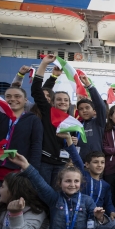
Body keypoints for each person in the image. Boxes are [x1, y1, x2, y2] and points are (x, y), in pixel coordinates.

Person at [62, 134, 115, 229]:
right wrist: (69, 140)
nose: (99, 165)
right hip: (81, 220)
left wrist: (112, 211)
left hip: (97, 220)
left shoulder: (105, 185)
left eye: (102, 162)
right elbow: (75, 157)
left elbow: (108, 202)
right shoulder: (83, 177)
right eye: (95, 162)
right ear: (87, 165)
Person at [32, 55, 70, 187]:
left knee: (58, 196)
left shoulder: (73, 121)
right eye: (58, 99)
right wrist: (44, 64)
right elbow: (37, 91)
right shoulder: (48, 112)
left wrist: (71, 142)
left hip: (63, 164)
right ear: (52, 102)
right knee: (42, 194)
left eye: (66, 100)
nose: (62, 102)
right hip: (45, 163)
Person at [72, 73, 106, 161]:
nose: (84, 111)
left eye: (87, 108)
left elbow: (101, 106)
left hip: (96, 164)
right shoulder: (76, 125)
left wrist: (89, 85)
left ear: (94, 110)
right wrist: (72, 142)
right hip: (79, 163)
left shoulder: (99, 122)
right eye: (81, 109)